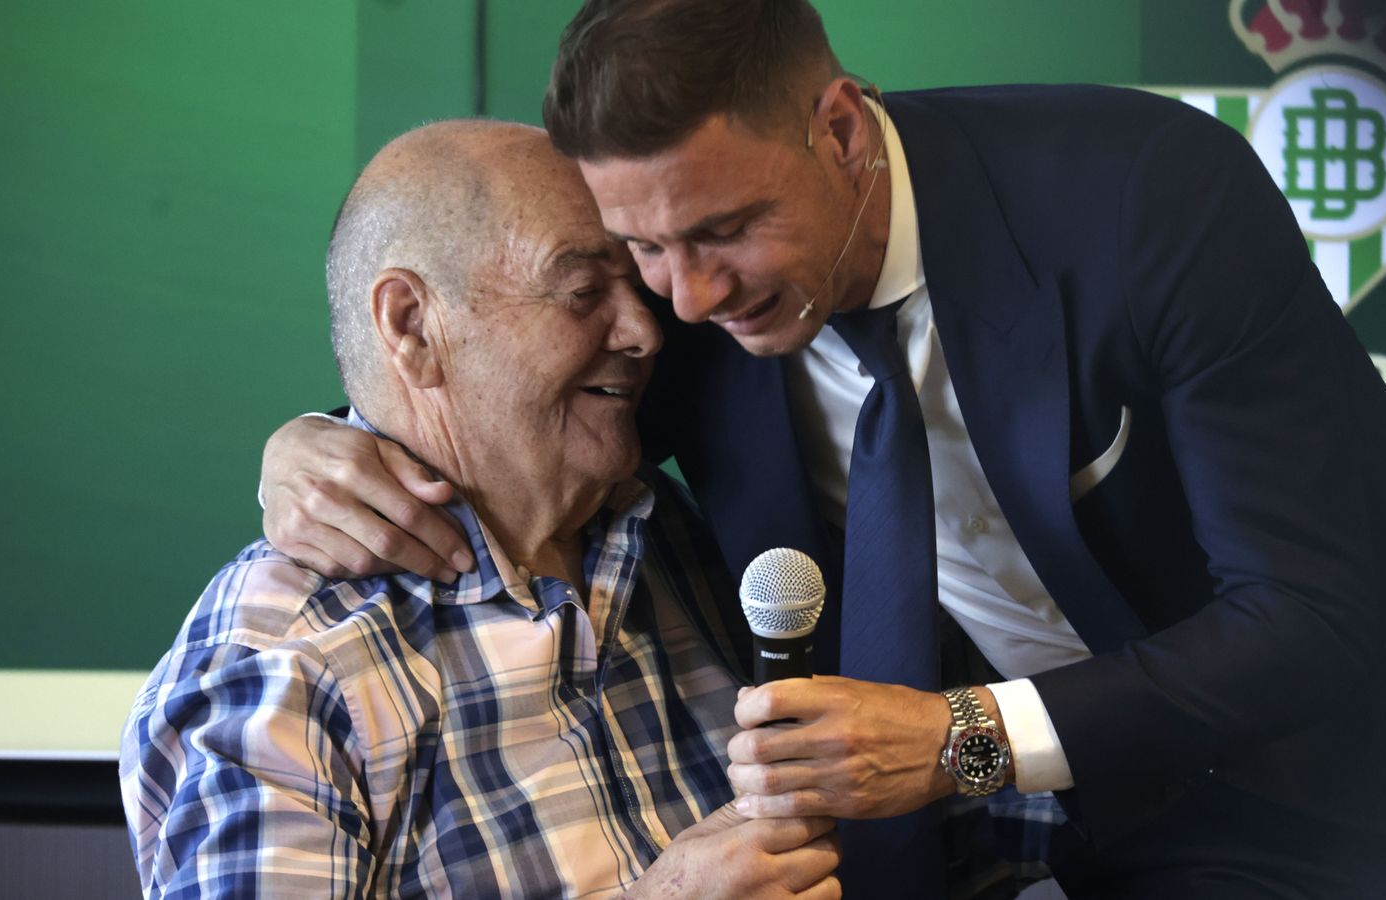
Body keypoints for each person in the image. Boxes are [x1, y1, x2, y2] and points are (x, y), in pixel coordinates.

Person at [258, 1, 1386, 896]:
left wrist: (958, 739)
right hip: (1135, 839)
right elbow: (483, 381)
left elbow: (1312, 614)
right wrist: (317, 440)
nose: (679, 302)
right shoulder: (687, 308)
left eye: (724, 229)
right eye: (640, 250)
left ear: (841, 129)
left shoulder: (1145, 200)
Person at [120, 119, 844, 899]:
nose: (645, 332)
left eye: (636, 287)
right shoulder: (282, 666)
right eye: (580, 293)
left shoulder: (667, 531)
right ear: (411, 325)